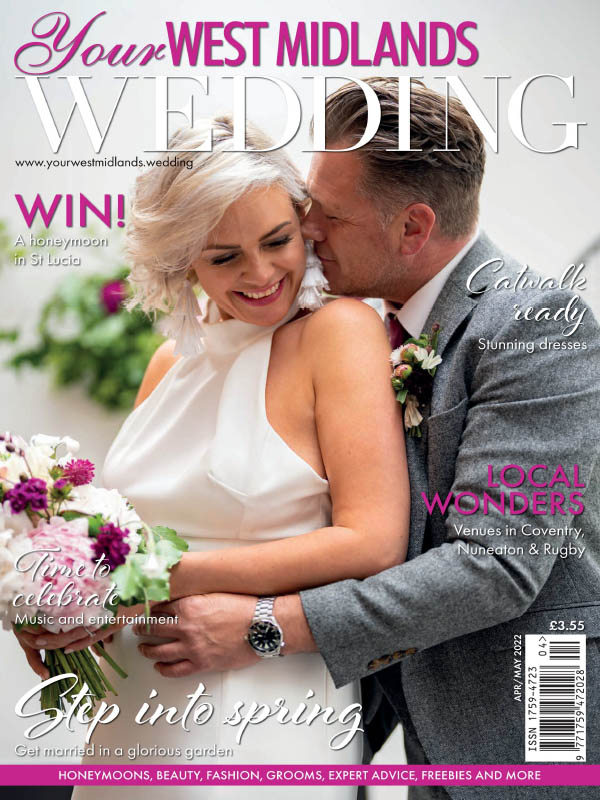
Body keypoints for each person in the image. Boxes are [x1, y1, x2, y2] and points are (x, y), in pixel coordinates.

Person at [105, 80, 598, 800]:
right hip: (380, 712)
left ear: (413, 227)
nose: (307, 229)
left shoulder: (534, 326)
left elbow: (497, 566)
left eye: (327, 214)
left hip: (525, 711)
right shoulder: (366, 325)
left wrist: (265, 627)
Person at [15, 115, 410, 798]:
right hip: (136, 714)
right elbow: (127, 541)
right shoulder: (170, 361)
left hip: (266, 705)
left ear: (304, 225)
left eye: (277, 240)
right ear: (183, 259)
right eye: (224, 257)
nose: (261, 273)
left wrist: (157, 580)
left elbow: (373, 542)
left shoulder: (340, 332)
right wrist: (63, 605)